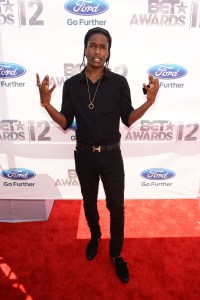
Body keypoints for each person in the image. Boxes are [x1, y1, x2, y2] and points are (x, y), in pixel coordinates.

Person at [36, 27, 159, 283]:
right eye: (93, 45)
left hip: (112, 156)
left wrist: (148, 103)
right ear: (85, 49)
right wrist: (47, 105)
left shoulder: (118, 83)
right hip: (84, 156)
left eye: (103, 47)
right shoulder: (72, 85)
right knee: (89, 202)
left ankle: (115, 254)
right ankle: (95, 236)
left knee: (117, 207)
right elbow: (65, 122)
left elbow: (127, 118)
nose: (97, 51)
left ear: (108, 52)